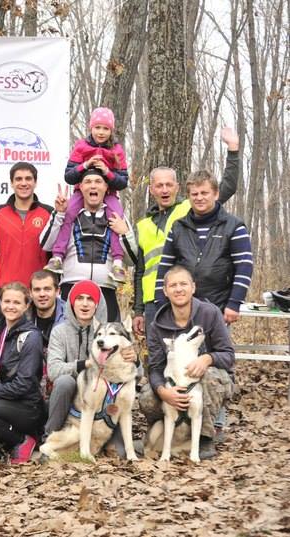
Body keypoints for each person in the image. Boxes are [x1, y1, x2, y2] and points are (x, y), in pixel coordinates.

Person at [133, 128, 240, 336]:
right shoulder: (143, 225)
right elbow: (139, 270)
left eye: (169, 185)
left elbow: (227, 186)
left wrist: (233, 151)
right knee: (158, 357)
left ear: (177, 188)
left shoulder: (189, 209)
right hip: (152, 301)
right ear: (152, 190)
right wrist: (138, 309)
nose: (164, 190)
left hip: (181, 297)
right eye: (159, 185)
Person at [140, 266, 235, 460]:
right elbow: (155, 367)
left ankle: (205, 437)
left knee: (208, 377)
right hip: (174, 381)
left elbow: (228, 355)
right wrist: (163, 392)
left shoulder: (210, 313)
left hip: (208, 379)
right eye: (173, 285)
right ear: (165, 291)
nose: (178, 289)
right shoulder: (157, 325)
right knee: (147, 396)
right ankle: (168, 432)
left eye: (183, 284)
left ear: (193, 287)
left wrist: (208, 358)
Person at [44, 280, 137, 456]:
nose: (85, 303)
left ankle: (114, 444)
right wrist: (85, 364)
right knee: (64, 382)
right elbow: (53, 371)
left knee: (121, 454)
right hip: (73, 395)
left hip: (110, 404)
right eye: (79, 298)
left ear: (97, 304)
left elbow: (134, 372)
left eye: (90, 299)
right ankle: (49, 436)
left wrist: (134, 359)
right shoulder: (60, 331)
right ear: (71, 303)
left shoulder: (108, 330)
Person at [154, 171, 252, 325]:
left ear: (216, 193)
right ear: (188, 196)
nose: (199, 198)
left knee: (215, 350)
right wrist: (160, 301)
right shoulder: (178, 227)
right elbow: (165, 267)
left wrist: (235, 302)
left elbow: (244, 267)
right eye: (194, 194)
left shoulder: (234, 226)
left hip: (218, 308)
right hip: (181, 309)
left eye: (204, 193)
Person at [41, 168, 137, 322]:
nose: (93, 186)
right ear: (80, 187)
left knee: (105, 343)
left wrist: (125, 233)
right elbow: (46, 244)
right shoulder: (67, 213)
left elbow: (132, 259)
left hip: (105, 291)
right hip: (71, 288)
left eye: (98, 182)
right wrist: (58, 214)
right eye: (88, 182)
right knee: (69, 342)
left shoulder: (117, 216)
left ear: (106, 188)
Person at [45, 108, 128, 282]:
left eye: (106, 128)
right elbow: (69, 176)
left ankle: (118, 263)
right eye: (97, 127)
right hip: (81, 192)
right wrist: (85, 165)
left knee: (116, 218)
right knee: (68, 214)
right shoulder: (81, 146)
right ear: (91, 127)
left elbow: (123, 181)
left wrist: (107, 172)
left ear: (111, 130)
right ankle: (58, 256)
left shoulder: (117, 150)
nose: (101, 132)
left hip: (109, 193)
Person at [0, 280, 45, 463]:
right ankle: (9, 440)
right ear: (1, 303)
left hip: (27, 407)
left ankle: (24, 439)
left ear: (27, 305)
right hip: (3, 402)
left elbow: (25, 384)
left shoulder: (31, 337)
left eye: (17, 302)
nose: (11, 306)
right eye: (7, 301)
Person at [0, 162, 54, 288]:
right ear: (11, 183)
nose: (23, 183)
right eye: (18, 179)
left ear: (35, 182)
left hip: (39, 289)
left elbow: (55, 254)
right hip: (5, 290)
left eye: (28, 179)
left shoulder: (49, 214)